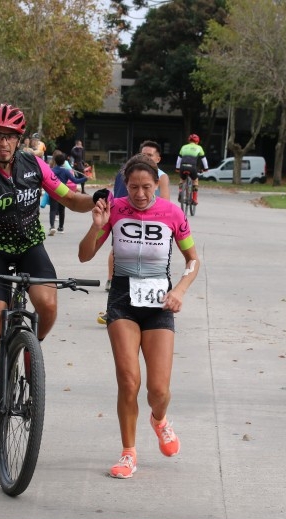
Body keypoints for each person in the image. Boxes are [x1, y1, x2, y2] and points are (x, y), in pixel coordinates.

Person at [0, 103, 101, 439]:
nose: (4, 143)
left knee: (48, 305)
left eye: (10, 137)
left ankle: (30, 348)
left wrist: (96, 199)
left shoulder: (34, 165)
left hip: (30, 247)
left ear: (19, 139)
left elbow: (70, 199)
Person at [78, 153, 200, 479]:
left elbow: (193, 260)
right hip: (123, 300)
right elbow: (84, 255)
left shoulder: (172, 213)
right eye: (134, 187)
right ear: (125, 185)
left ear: (157, 184)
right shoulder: (114, 209)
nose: (141, 194)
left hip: (160, 302)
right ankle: (128, 452)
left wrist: (180, 290)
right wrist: (96, 227)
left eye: (147, 187)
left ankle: (159, 419)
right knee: (128, 380)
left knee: (158, 391)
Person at [97, 140, 171, 311]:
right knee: (118, 249)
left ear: (158, 158)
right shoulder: (126, 172)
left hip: (151, 223)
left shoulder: (162, 176)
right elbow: (116, 196)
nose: (146, 158)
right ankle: (111, 281)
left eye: (150, 155)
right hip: (124, 218)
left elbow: (166, 203)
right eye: (143, 154)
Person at [48, 150, 88, 235]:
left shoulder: (51, 170)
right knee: (62, 210)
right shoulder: (66, 171)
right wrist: (85, 178)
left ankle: (52, 226)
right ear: (64, 162)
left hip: (53, 190)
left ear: (55, 161)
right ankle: (61, 227)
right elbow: (75, 180)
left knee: (53, 209)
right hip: (63, 190)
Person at [175, 133, 208, 205]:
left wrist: (177, 168)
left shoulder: (183, 147)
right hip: (192, 167)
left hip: (183, 167)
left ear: (189, 141)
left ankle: (180, 191)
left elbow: (179, 159)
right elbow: (204, 159)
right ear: (197, 141)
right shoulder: (199, 147)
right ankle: (195, 199)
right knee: (195, 180)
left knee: (182, 179)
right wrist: (206, 168)